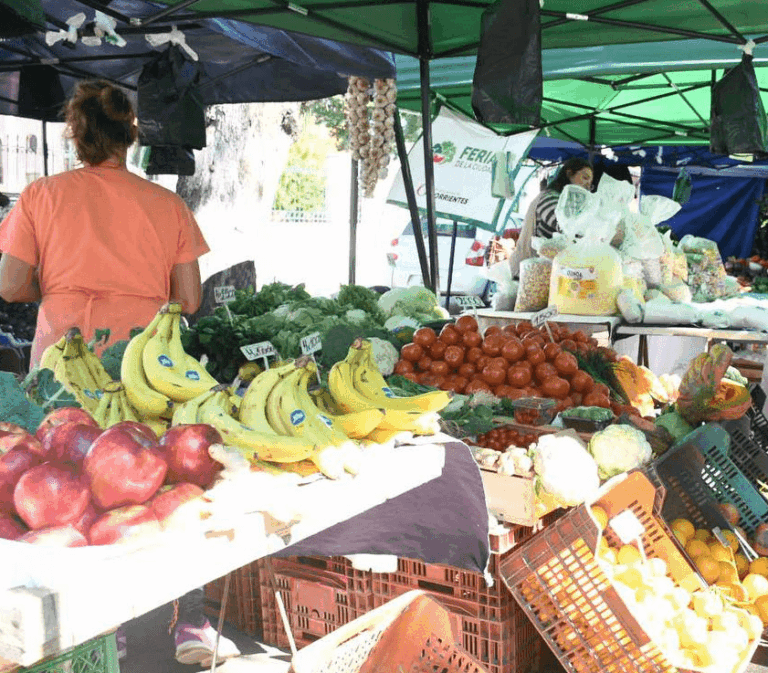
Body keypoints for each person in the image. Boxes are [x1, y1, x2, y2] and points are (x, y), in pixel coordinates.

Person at [0, 79, 240, 667]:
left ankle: (106, 623)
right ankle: (190, 623)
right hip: (142, 368)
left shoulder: (40, 195)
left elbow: (10, 284)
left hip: (61, 364)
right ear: (132, 135)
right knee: (168, 485)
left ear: (75, 134)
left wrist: (58, 287)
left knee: (67, 497)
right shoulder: (167, 205)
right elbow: (188, 299)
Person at [533, 157, 593, 239]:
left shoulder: (573, 205)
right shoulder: (549, 197)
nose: (588, 185)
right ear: (569, 174)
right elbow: (564, 225)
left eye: (590, 184)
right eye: (585, 178)